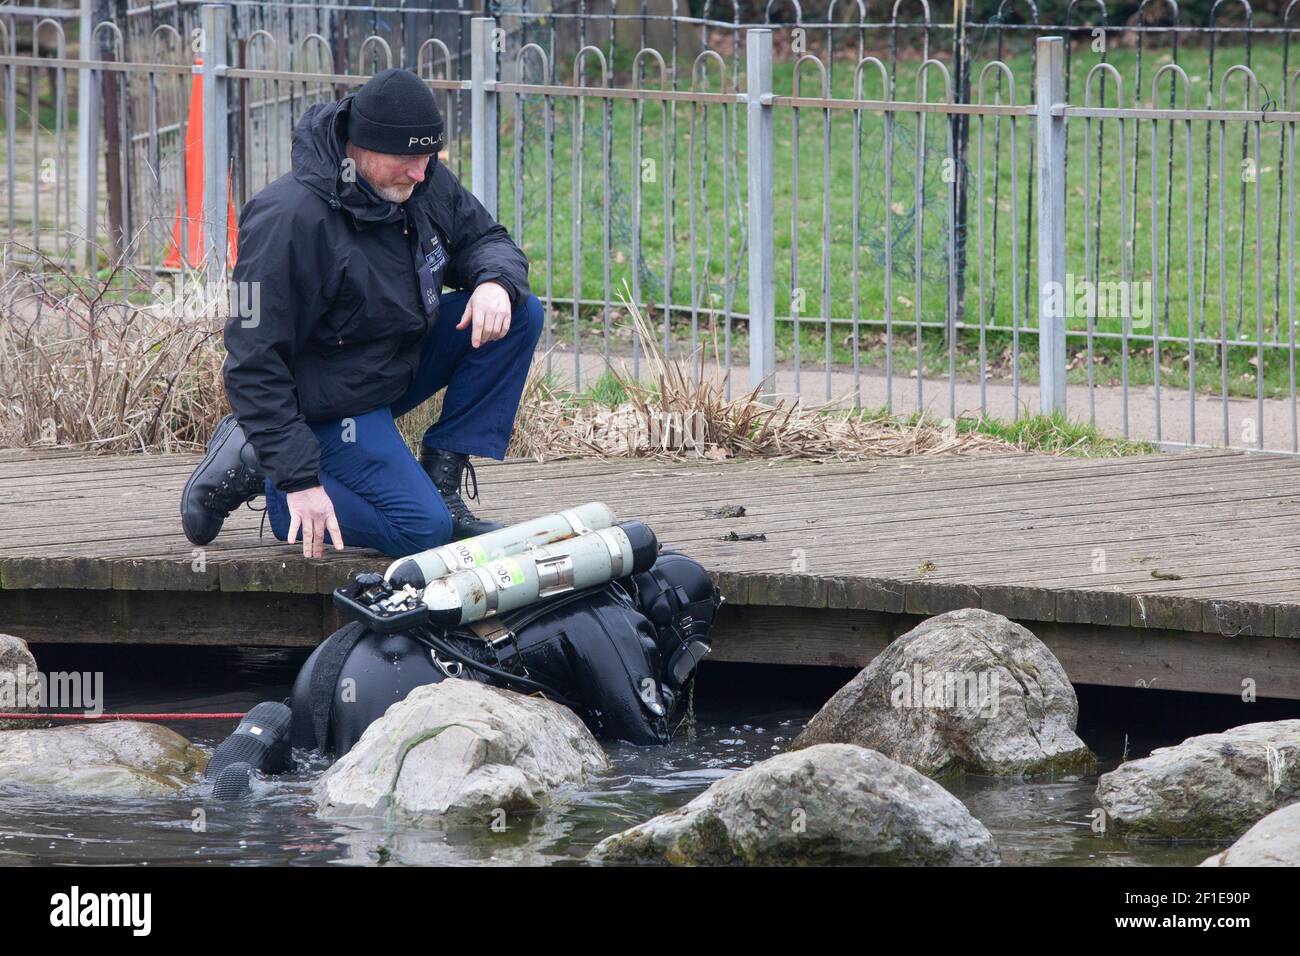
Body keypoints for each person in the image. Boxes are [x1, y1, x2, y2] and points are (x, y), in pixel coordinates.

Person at [180, 68, 542, 558]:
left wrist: (496, 282)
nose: (421, 172)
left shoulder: (422, 180)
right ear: (361, 147)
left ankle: (443, 484)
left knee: (520, 313)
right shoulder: (286, 221)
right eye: (408, 159)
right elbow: (253, 362)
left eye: (429, 156)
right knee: (423, 532)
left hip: (391, 365)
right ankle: (275, 486)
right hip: (329, 406)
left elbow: (486, 239)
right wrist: (300, 480)